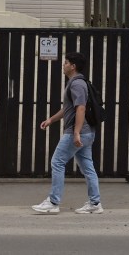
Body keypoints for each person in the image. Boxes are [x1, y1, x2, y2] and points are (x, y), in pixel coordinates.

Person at [32, 52, 103, 214]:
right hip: (86, 132)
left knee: (57, 162)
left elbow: (81, 108)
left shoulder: (77, 84)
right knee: (87, 167)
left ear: (73, 66)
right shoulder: (76, 82)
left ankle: (53, 202)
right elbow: (68, 108)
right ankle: (95, 203)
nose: (63, 65)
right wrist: (51, 119)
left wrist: (76, 132)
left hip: (76, 132)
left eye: (65, 63)